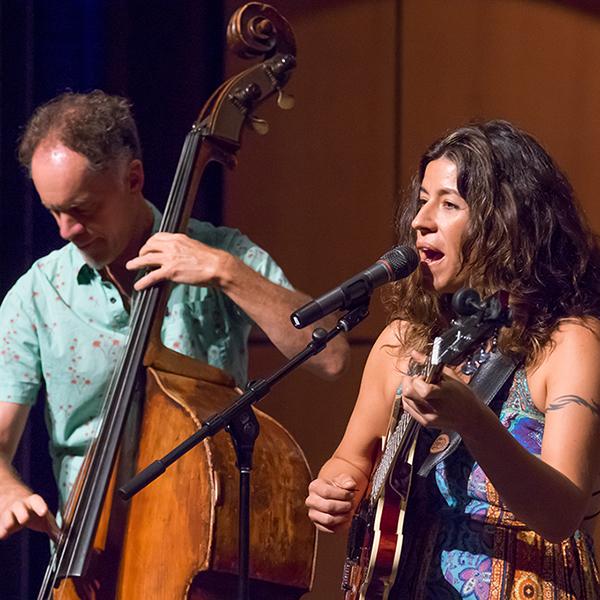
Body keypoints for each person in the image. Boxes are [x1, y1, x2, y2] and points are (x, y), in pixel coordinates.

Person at [0, 90, 348, 542]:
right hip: (91, 553)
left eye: (82, 210)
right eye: (54, 212)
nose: (67, 231)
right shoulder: (37, 293)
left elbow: (331, 357)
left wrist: (227, 273)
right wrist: (8, 492)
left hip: (208, 539)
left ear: (133, 178)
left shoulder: (222, 253)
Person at [306, 120, 600, 598]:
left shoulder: (569, 343)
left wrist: (473, 420)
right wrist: (336, 488)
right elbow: (351, 460)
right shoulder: (400, 343)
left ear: (505, 221)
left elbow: (561, 514)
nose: (421, 220)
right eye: (422, 200)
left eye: (448, 204)